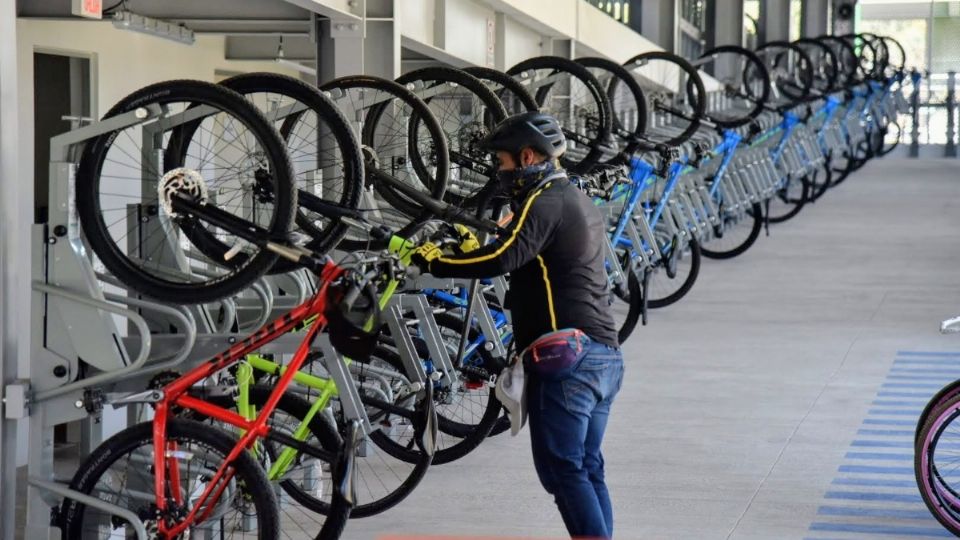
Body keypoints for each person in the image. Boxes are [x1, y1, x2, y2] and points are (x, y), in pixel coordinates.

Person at [409, 112, 625, 539]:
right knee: (584, 466)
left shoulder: (545, 201)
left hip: (570, 358)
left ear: (528, 156)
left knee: (562, 471)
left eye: (504, 163)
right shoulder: (576, 200)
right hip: (604, 356)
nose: (500, 173)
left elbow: (502, 258)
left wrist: (434, 260)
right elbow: (521, 253)